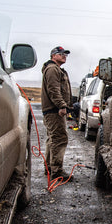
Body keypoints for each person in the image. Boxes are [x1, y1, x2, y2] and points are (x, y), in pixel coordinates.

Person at [41, 46, 73, 180]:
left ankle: (49, 168)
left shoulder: (55, 69)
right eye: (61, 54)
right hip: (54, 111)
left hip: (52, 110)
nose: (64, 55)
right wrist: (61, 106)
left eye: (65, 54)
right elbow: (53, 90)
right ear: (53, 56)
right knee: (59, 138)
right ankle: (56, 171)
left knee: (53, 138)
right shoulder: (53, 69)